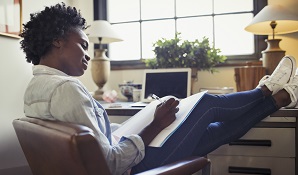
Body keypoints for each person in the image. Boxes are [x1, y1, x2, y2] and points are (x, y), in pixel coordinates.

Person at [20, 3, 298, 175]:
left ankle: (281, 98)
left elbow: (94, 145)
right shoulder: (68, 89)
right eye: (82, 44)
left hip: (120, 157)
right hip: (130, 168)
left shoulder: (36, 87)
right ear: (57, 41)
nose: (87, 54)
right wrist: (155, 124)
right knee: (206, 104)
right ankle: (266, 90)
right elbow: (111, 164)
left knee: (215, 133)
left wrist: (133, 125)